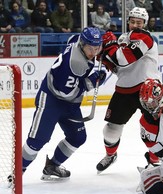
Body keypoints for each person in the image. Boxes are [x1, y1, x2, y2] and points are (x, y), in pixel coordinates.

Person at [22, 27, 106, 181]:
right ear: (82, 44)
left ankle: (52, 166)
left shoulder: (77, 40)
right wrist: (92, 81)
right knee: (38, 140)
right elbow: (66, 92)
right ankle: (17, 170)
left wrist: (105, 43)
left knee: (78, 137)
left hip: (70, 103)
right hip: (52, 98)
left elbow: (87, 45)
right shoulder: (76, 64)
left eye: (97, 47)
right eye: (90, 48)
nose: (94, 52)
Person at [96, 7, 160, 173]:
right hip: (123, 90)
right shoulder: (124, 38)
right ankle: (110, 155)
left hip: (147, 90)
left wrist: (109, 47)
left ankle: (155, 162)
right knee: (110, 130)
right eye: (132, 22)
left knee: (153, 128)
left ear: (144, 23)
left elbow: (123, 59)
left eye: (139, 22)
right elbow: (120, 67)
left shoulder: (144, 37)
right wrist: (107, 61)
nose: (135, 25)